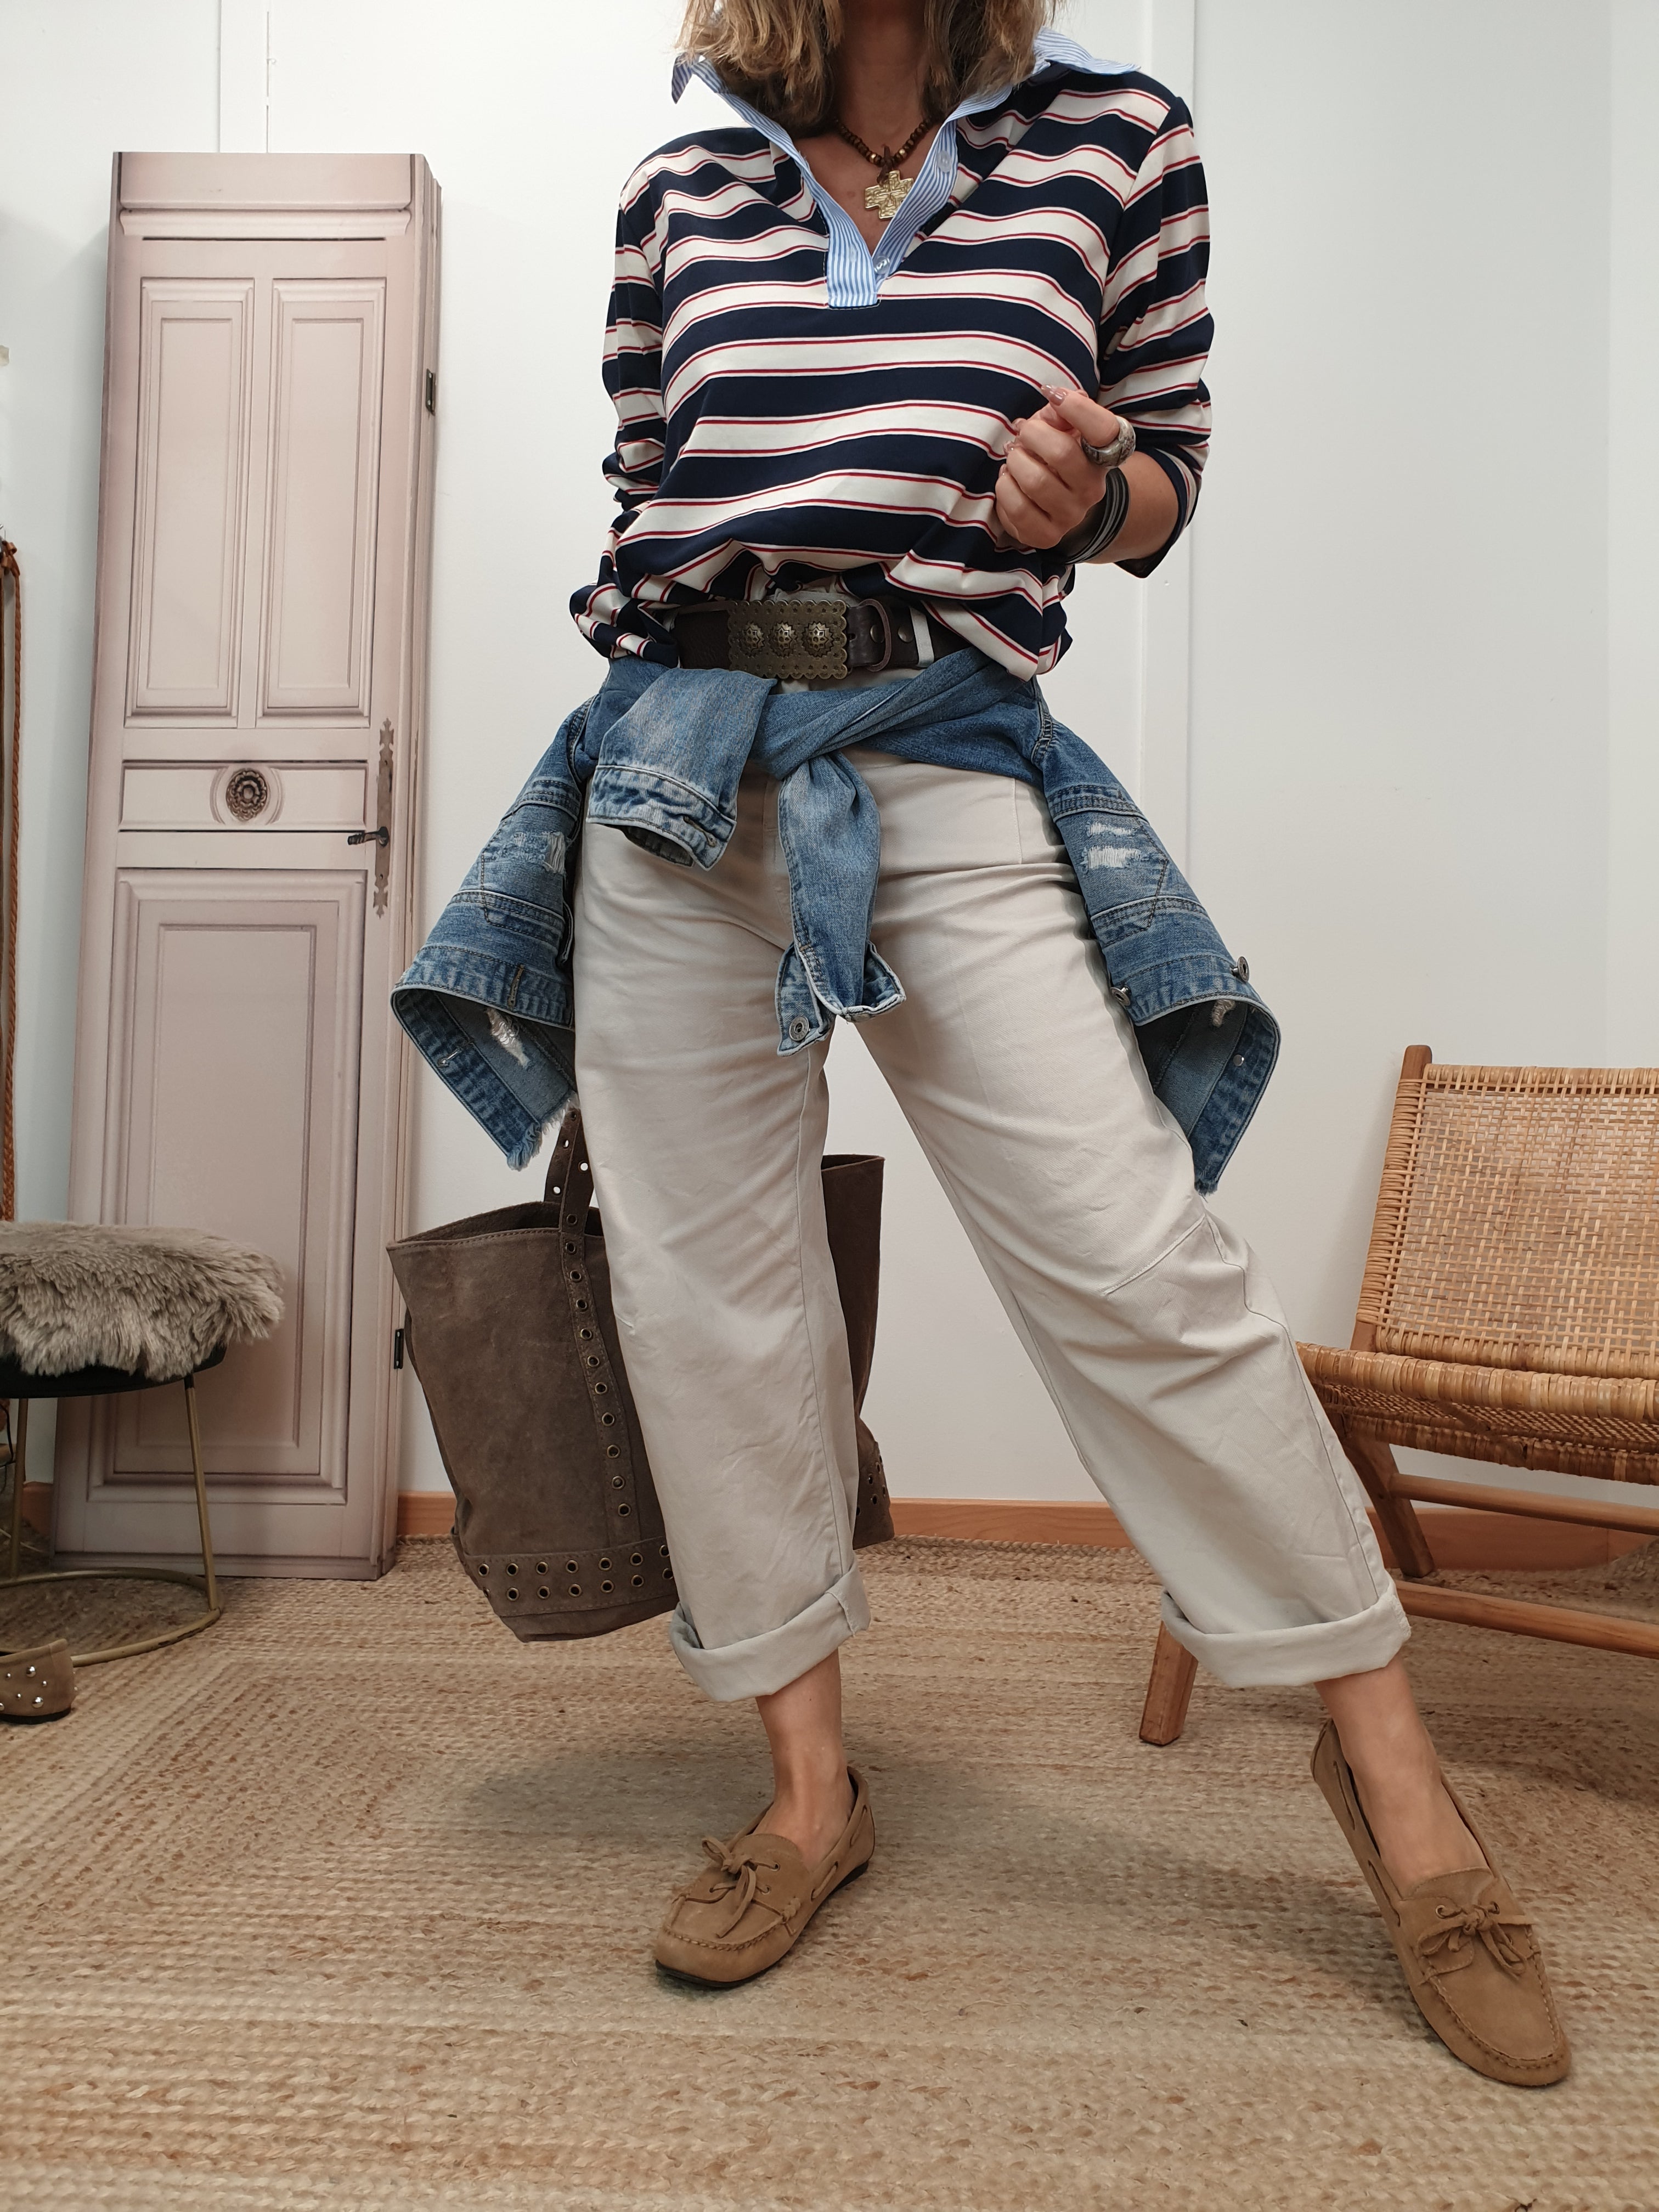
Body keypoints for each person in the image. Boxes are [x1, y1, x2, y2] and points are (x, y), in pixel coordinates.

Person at [407, 0, 1568, 2087]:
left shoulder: (1120, 141)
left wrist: (1093, 496)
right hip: (673, 783)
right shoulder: (682, 186)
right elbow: (646, 492)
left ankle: (1403, 1793)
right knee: (709, 1302)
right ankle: (806, 1793)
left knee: (1137, 1263)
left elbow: (1166, 478)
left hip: (940, 748)